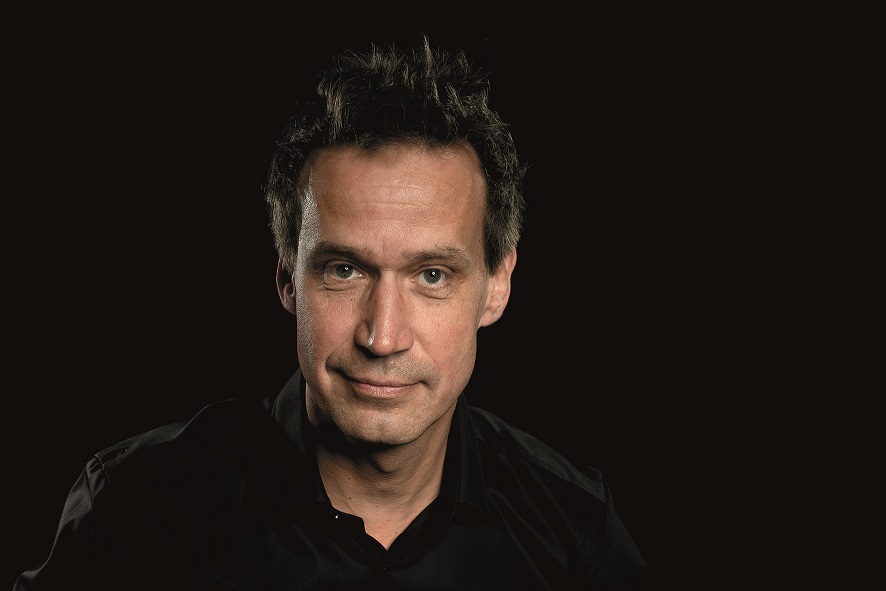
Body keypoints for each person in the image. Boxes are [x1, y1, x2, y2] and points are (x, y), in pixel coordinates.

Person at [14, 35, 651, 590]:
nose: (383, 336)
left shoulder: (574, 531)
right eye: (344, 270)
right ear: (287, 278)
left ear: (496, 286)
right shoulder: (136, 512)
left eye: (432, 276)